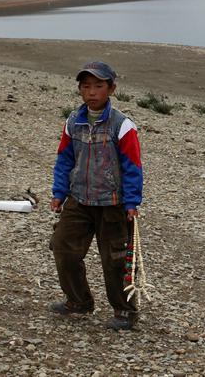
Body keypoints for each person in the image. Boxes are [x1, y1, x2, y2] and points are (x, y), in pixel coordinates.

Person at [49, 61, 143, 330]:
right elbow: (64, 159)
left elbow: (133, 165)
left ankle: (125, 311)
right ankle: (78, 301)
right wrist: (59, 192)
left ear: (111, 89)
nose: (91, 92)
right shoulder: (73, 122)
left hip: (113, 202)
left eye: (98, 86)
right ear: (80, 90)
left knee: (116, 259)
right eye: (86, 86)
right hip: (78, 199)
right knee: (63, 247)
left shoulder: (123, 126)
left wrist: (132, 201)